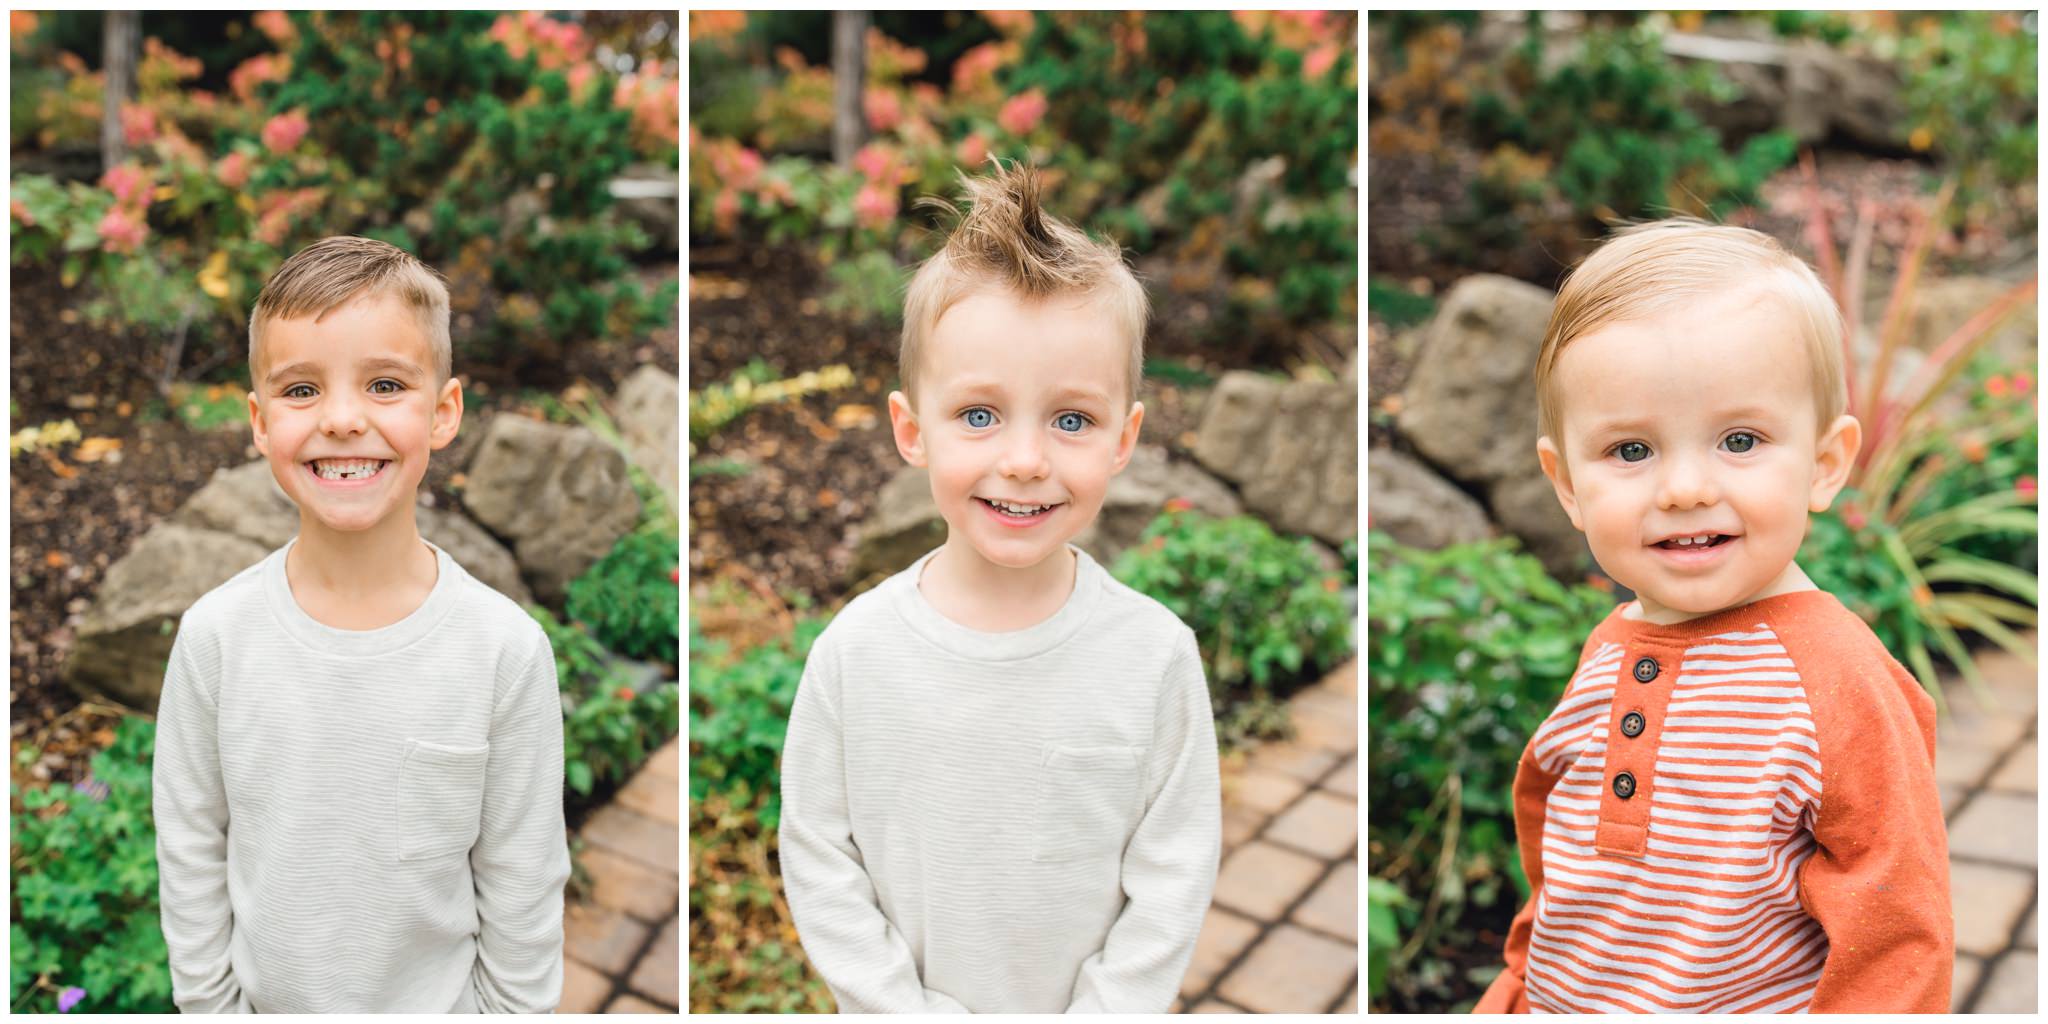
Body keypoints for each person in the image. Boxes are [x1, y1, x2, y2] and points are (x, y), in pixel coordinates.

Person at [1475, 220, 1953, 1013]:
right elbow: (1563, 849)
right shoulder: (1615, 645)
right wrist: (1521, 985)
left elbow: (1899, 934)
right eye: (1632, 451)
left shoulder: (1838, 683)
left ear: (1825, 465)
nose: (1686, 488)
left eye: (1740, 439)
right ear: (1566, 486)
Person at [777, 159, 1221, 1012]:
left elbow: (1172, 874)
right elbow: (820, 858)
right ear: (913, 429)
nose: (1024, 460)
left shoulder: (1154, 657)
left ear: (1123, 438)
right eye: (979, 415)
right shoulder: (857, 654)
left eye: (1071, 419)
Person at [152, 236, 570, 1012]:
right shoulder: (215, 639)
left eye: (384, 384)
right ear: (259, 421)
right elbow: (189, 851)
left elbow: (524, 878)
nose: (342, 420)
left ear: (444, 412)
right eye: (301, 390)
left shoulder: (503, 651)